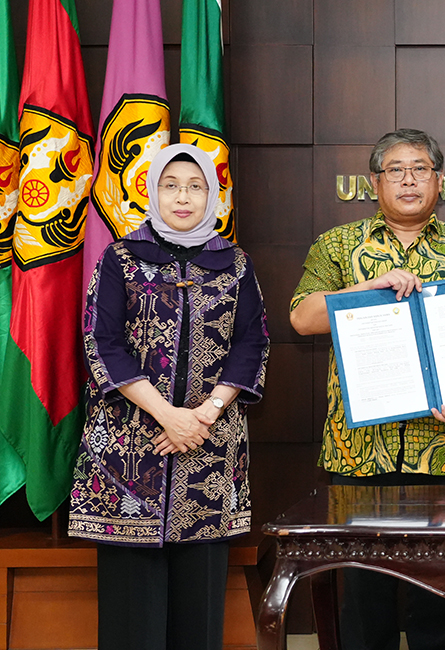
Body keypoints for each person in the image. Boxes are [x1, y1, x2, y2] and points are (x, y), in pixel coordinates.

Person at [289, 128, 445, 650]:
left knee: (440, 597)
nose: (408, 180)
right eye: (395, 170)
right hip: (359, 450)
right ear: (375, 182)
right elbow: (302, 318)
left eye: (420, 169)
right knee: (364, 599)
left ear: (439, 180)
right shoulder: (337, 245)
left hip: (444, 450)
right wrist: (363, 291)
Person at [68, 143, 270, 650]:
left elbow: (252, 341)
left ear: (213, 195)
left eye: (195, 186)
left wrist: (205, 413)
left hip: (209, 448)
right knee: (130, 620)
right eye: (171, 185)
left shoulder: (235, 264)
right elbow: (101, 341)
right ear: (152, 192)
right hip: (129, 454)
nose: (183, 197)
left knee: (199, 616)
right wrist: (166, 415)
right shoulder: (119, 258)